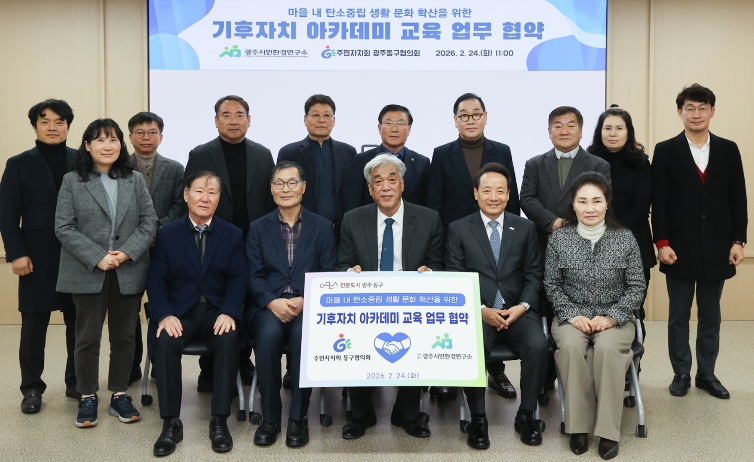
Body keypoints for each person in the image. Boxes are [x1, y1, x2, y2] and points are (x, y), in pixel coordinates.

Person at [54, 118, 157, 428]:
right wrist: (97, 256)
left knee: (125, 337)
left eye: (113, 140)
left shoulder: (134, 180)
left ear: (120, 145)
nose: (107, 145)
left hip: (128, 269)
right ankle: (87, 396)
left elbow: (148, 221)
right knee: (87, 337)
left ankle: (119, 394)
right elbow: (64, 226)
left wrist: (126, 252)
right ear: (88, 146)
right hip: (87, 270)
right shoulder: (72, 181)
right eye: (100, 140)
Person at [336, 153, 444, 440]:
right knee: (354, 332)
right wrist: (350, 273)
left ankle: (407, 412)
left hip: (411, 305)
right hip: (367, 305)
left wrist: (429, 272)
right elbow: (341, 264)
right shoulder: (353, 219)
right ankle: (361, 412)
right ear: (370, 189)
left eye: (391, 180)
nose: (385, 187)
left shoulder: (428, 219)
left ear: (402, 185)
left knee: (418, 331)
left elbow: (439, 264)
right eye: (378, 182)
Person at [652, 84, 747, 399]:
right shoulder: (666, 150)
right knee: (678, 316)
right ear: (680, 112)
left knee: (710, 316)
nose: (696, 114)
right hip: (678, 249)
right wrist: (661, 242)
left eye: (702, 108)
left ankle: (707, 374)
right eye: (690, 108)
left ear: (712, 111)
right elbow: (659, 201)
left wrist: (738, 240)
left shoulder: (728, 149)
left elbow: (738, 198)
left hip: (718, 247)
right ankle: (681, 373)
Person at [445, 163, 548, 449]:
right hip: (478, 312)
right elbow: (455, 276)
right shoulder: (458, 228)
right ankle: (478, 418)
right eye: (487, 190)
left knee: (538, 345)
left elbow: (534, 273)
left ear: (508, 194)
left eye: (500, 191)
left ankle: (526, 415)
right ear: (476, 193)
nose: (494, 197)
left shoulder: (524, 227)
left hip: (518, 311)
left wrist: (523, 306)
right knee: (473, 348)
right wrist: (480, 309)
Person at [544, 171, 645, 460]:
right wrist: (572, 315)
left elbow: (636, 286)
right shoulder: (559, 239)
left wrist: (612, 317)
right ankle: (578, 427)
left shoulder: (624, 238)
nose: (590, 208)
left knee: (607, 350)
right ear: (573, 205)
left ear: (607, 203)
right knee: (571, 348)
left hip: (615, 317)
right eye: (583, 201)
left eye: (597, 201)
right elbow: (552, 285)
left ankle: (608, 431)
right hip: (572, 316)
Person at [426, 92, 520, 401]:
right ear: (455, 120)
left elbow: (512, 201)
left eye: (476, 114)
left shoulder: (501, 151)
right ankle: (450, 373)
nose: (470, 120)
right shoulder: (442, 153)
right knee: (455, 309)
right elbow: (435, 204)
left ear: (485, 117)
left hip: (494, 241)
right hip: (456, 244)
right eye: (464, 115)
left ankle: (496, 371)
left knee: (494, 301)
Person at [146, 171, 247, 456]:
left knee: (229, 338)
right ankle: (171, 423)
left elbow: (239, 277)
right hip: (180, 312)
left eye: (212, 192)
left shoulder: (232, 234)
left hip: (216, 312)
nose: (205, 197)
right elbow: (156, 279)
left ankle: (219, 420)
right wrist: (164, 315)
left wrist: (229, 312)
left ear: (218, 199)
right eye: (199, 191)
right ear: (186, 194)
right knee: (166, 340)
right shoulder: (167, 234)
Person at [184, 95, 275, 389]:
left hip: (252, 241)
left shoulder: (263, 154)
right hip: (213, 242)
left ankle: (241, 359)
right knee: (214, 299)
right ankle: (209, 368)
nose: (233, 121)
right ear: (216, 120)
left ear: (249, 119)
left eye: (239, 115)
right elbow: (190, 198)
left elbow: (269, 201)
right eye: (226, 115)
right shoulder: (200, 154)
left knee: (247, 300)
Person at [520, 106, 612, 393]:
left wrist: (571, 226)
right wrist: (554, 222)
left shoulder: (598, 164)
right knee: (547, 310)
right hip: (543, 246)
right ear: (549, 132)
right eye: (557, 125)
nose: (564, 131)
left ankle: (582, 379)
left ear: (581, 131)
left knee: (577, 309)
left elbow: (602, 201)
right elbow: (527, 198)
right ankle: (545, 379)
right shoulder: (535, 164)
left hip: (585, 249)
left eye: (571, 125)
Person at [246, 161, 337, 448]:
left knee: (302, 338)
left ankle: (298, 417)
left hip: (308, 304)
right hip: (269, 306)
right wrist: (271, 301)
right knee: (268, 337)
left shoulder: (322, 226)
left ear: (303, 187)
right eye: (279, 183)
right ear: (272, 189)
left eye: (292, 182)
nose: (286, 189)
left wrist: (306, 299)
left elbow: (329, 272)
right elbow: (254, 275)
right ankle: (270, 418)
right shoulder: (258, 228)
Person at [0, 99, 78, 413]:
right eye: (45, 121)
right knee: (34, 327)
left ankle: (76, 382)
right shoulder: (18, 164)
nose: (52, 127)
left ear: (68, 126)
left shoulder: (82, 161)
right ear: (35, 126)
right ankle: (32, 388)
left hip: (77, 257)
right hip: (36, 257)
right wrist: (16, 253)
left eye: (59, 122)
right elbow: (7, 214)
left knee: (78, 325)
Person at [127, 111, 186, 385]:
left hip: (163, 248)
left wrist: (154, 230)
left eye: (152, 132)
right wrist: (140, 235)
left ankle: (160, 363)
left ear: (161, 137)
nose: (146, 137)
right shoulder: (118, 167)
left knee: (161, 307)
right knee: (128, 312)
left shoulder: (175, 168)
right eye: (140, 132)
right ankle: (130, 366)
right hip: (127, 250)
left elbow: (180, 205)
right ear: (130, 137)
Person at [587, 106, 654, 339]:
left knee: (633, 310)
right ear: (600, 132)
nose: (613, 133)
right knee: (596, 310)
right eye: (607, 128)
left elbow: (641, 207)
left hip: (634, 243)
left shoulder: (641, 162)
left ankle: (633, 360)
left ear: (628, 132)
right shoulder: (589, 161)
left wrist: (611, 233)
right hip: (592, 245)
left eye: (619, 128)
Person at [277, 94, 356, 241]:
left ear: (334, 120)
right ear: (305, 119)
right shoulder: (289, 153)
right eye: (315, 115)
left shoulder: (348, 152)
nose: (321, 120)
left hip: (340, 232)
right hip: (301, 231)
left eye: (327, 115)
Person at [343, 104, 430, 211]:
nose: (394, 129)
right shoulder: (361, 161)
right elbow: (352, 203)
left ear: (409, 128)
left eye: (400, 123)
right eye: (388, 123)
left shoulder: (422, 163)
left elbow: (427, 204)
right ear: (379, 128)